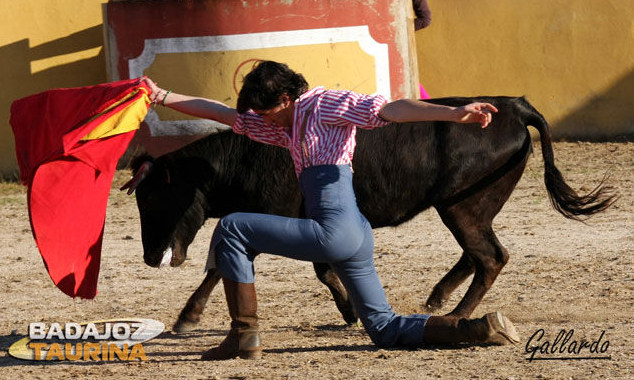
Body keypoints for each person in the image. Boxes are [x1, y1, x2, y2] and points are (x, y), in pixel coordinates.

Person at [142, 61, 519, 360]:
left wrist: (453, 114)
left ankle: (243, 335)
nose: (263, 117)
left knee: (232, 227)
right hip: (354, 233)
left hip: (334, 231)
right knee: (384, 328)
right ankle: (474, 330)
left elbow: (389, 109)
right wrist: (161, 95)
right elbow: (223, 114)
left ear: (288, 97)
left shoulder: (322, 104)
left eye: (267, 109)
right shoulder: (284, 125)